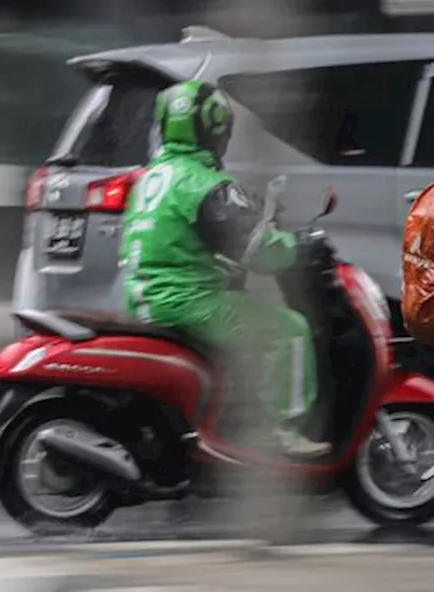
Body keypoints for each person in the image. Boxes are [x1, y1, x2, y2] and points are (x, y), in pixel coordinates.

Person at [119, 80, 329, 458]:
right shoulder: (202, 184)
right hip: (185, 301)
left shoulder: (151, 177)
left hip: (145, 296)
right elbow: (259, 250)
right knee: (289, 330)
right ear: (216, 127)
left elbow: (185, 239)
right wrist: (294, 246)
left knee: (243, 312)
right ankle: (280, 431)